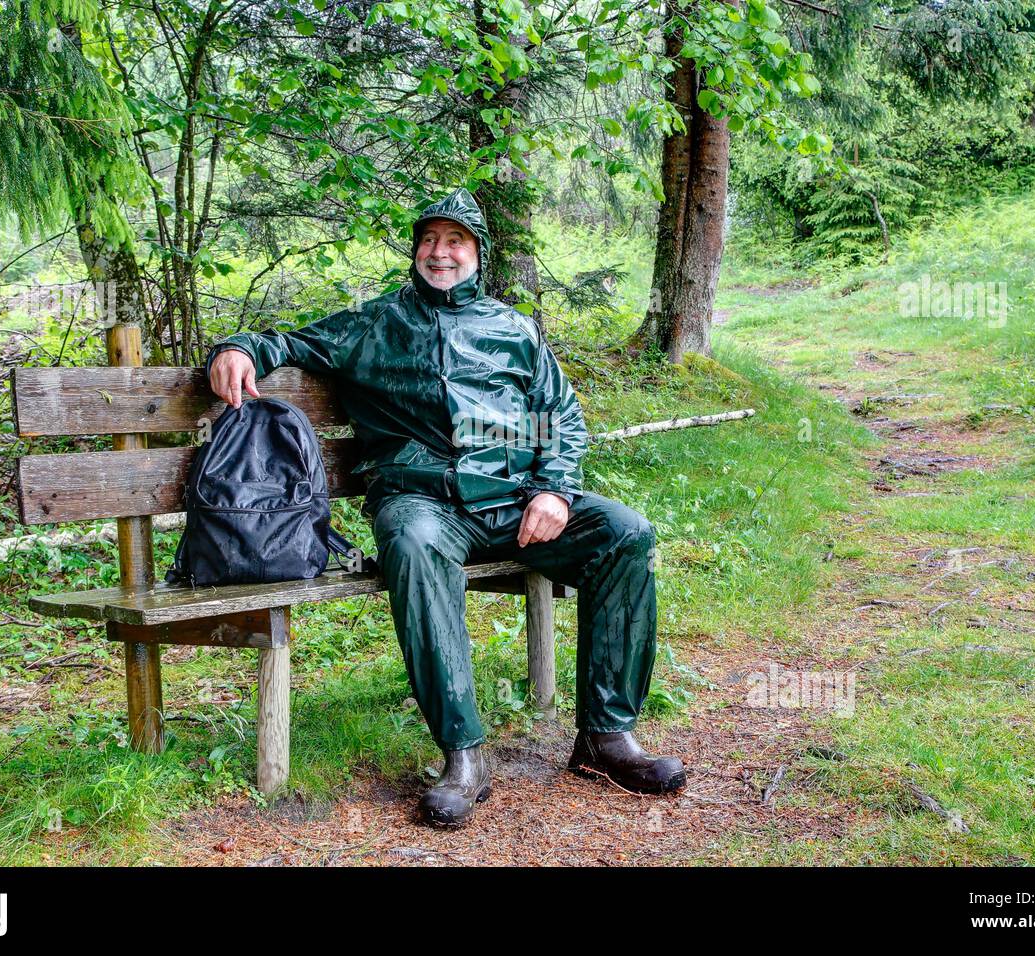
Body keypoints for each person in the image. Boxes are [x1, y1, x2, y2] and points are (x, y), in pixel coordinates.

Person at [206, 188, 686, 827]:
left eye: (455, 241)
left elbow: (559, 418)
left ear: (477, 252)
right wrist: (236, 350)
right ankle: (464, 754)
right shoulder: (375, 325)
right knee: (411, 543)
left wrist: (555, 490)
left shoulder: (513, 329)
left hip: (517, 505)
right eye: (429, 240)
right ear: (415, 251)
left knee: (625, 534)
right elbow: (287, 343)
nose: (441, 252)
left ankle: (606, 735)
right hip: (425, 505)